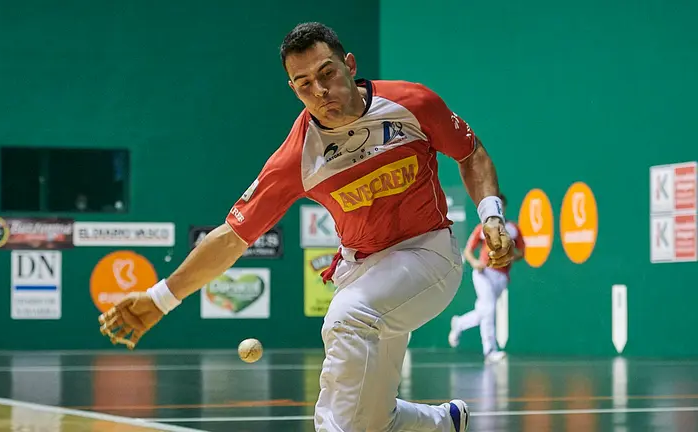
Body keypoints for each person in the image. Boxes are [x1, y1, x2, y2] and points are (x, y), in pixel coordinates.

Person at [98, 22, 515, 432]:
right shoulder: (298, 156)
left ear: (349, 65)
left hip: (429, 254)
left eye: (327, 73)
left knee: (346, 319)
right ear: (293, 90)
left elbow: (471, 153)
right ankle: (445, 422)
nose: (319, 91)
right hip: (361, 270)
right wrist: (159, 299)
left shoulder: (412, 104)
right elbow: (231, 237)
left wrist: (491, 213)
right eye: (303, 84)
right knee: (371, 420)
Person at [448, 194, 524, 364]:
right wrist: (475, 263)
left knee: (483, 311)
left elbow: (521, 253)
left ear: (504, 207)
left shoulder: (513, 229)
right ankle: (490, 351)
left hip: (502, 276)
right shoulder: (483, 228)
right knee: (489, 310)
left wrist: (510, 253)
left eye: (501, 206)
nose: (499, 210)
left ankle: (459, 323)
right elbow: (468, 251)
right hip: (484, 273)